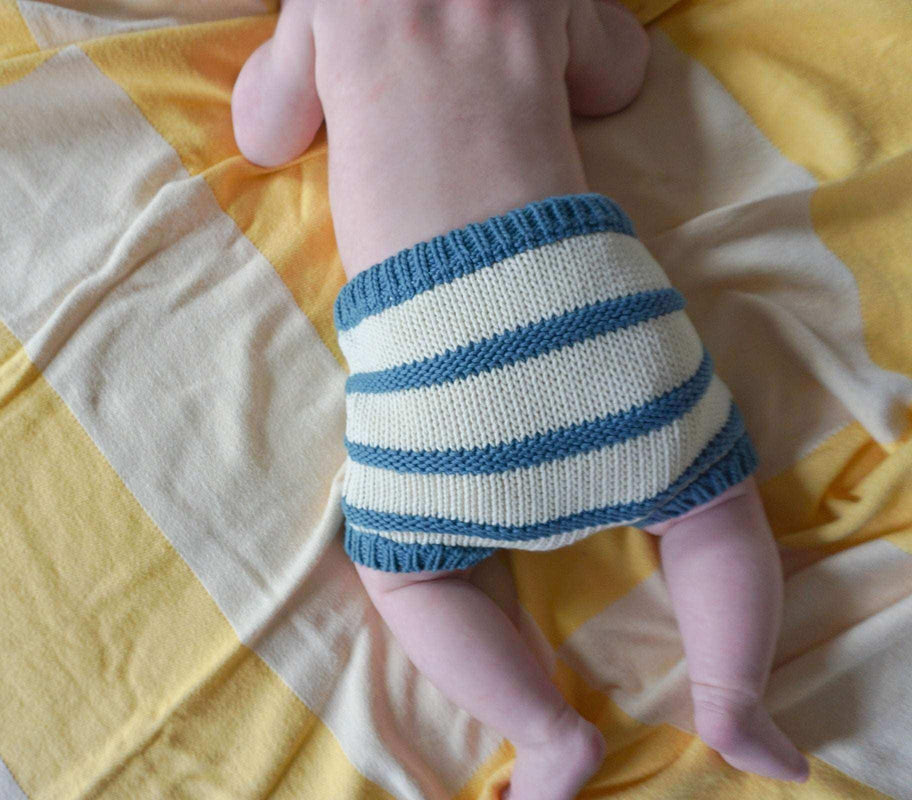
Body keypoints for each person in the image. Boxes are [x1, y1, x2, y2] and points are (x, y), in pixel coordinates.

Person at [231, 2, 810, 797]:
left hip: (436, 359)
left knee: (405, 577)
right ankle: (731, 701)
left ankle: (546, 738)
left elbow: (264, 135)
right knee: (711, 501)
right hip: (591, 304)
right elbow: (617, 79)